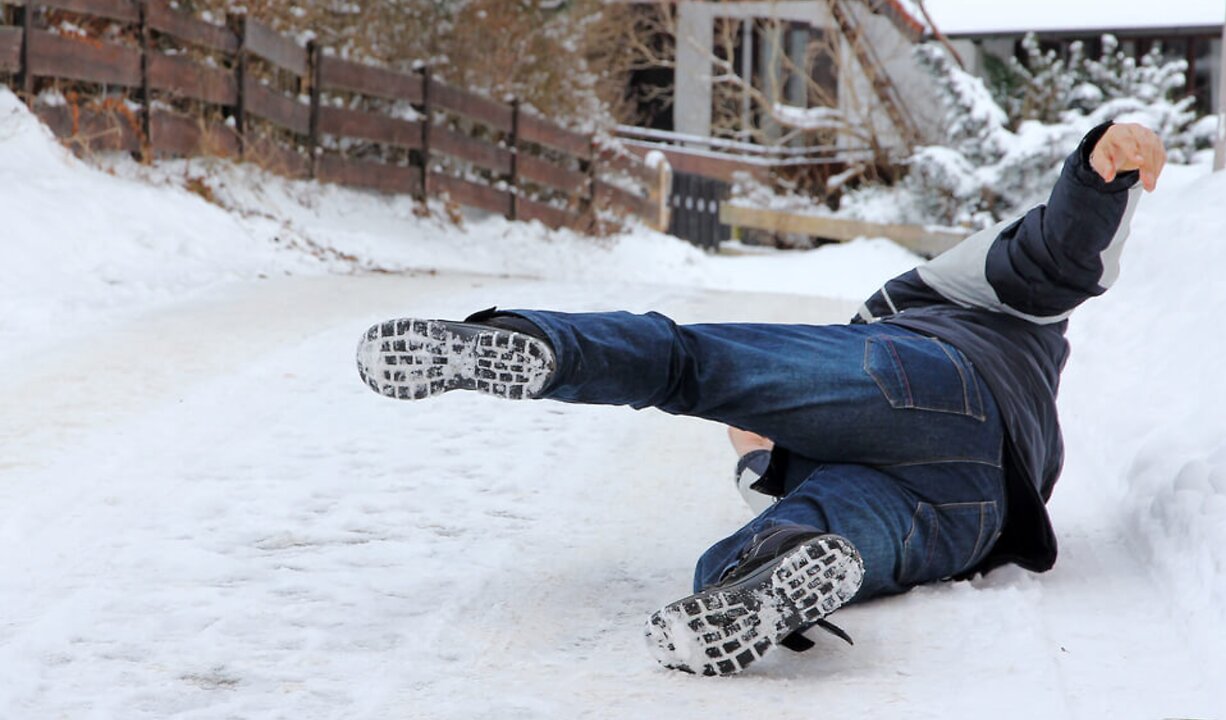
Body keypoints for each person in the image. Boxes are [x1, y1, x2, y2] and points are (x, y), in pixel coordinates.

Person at [355, 122, 1166, 676]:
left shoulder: (943, 293)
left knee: (689, 366)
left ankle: (539, 344)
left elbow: (1053, 256)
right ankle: (756, 586)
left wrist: (1101, 168)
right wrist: (757, 454)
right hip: (975, 507)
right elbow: (771, 466)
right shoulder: (961, 357)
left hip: (932, 384)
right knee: (813, 526)